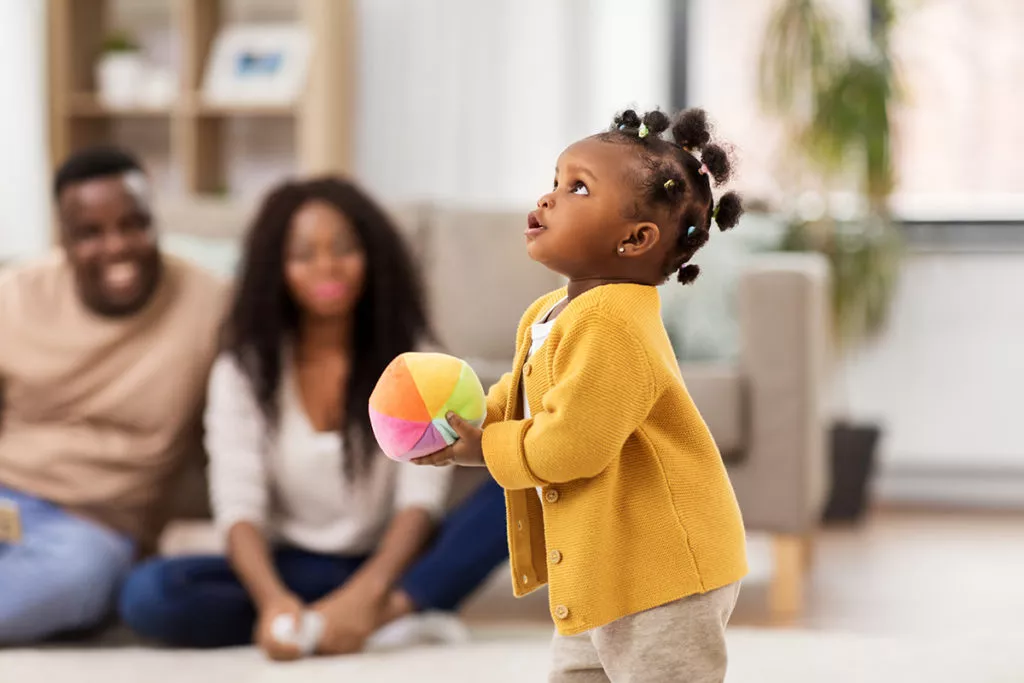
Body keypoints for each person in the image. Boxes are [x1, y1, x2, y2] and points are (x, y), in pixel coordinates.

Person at [414, 109, 749, 682]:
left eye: (577, 188)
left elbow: (571, 446)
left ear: (635, 239)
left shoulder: (615, 324)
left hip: (665, 572)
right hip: (606, 568)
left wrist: (482, 449)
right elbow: (515, 397)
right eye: (554, 181)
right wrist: (458, 418)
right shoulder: (550, 312)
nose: (548, 198)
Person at [118, 177, 509, 659]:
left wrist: (366, 596)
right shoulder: (244, 369)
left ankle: (382, 613)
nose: (326, 266)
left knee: (518, 483)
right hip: (293, 568)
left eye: (343, 249)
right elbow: (238, 508)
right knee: (149, 594)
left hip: (393, 561)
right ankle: (354, 617)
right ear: (276, 269)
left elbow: (419, 502)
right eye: (304, 255)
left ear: (371, 256)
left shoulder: (414, 360)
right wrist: (271, 602)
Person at [0, 147, 226, 644]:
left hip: (90, 529)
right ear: (63, 239)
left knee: (79, 577)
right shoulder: (14, 297)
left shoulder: (209, 304)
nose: (117, 246)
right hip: (5, 498)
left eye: (134, 224)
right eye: (90, 233)